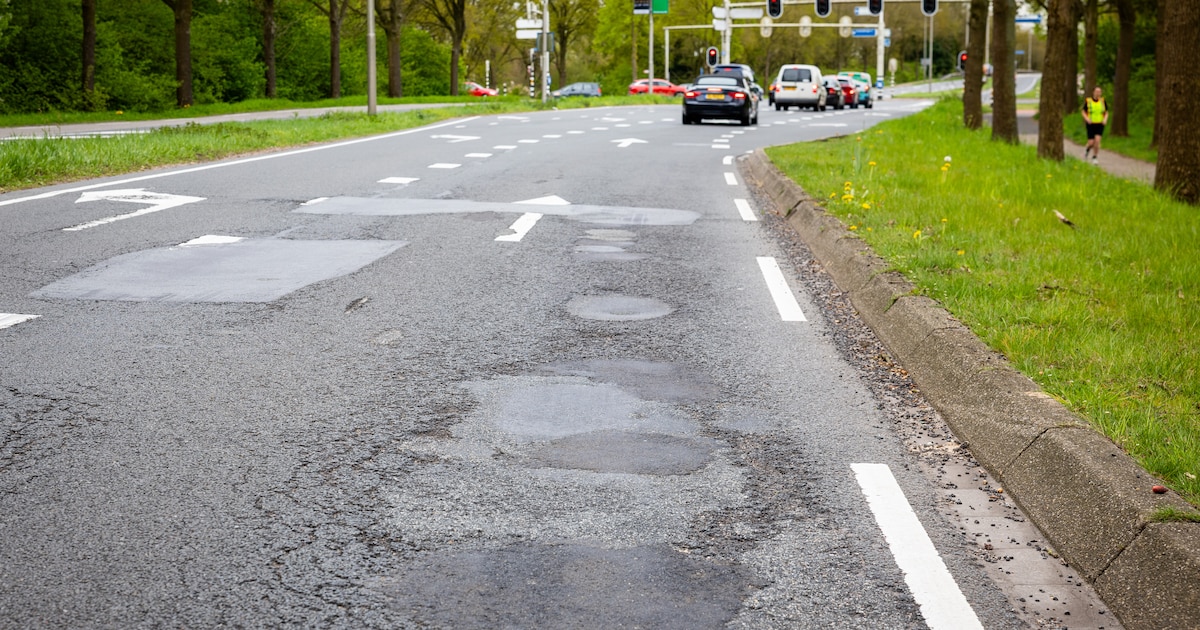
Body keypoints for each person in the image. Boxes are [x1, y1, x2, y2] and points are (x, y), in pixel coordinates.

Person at [1082, 86, 1108, 165]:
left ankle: (1095, 157)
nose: (1098, 93)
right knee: (1091, 142)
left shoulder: (1102, 101)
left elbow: (1106, 112)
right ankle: (1087, 150)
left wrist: (1105, 119)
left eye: (1099, 92)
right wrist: (1087, 119)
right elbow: (1083, 111)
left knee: (1097, 141)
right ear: (1093, 92)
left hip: (1100, 124)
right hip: (1091, 124)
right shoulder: (1088, 101)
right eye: (1096, 91)